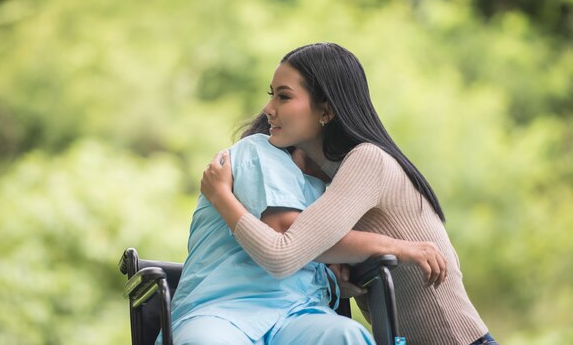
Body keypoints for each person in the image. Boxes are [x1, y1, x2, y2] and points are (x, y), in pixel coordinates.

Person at [201, 42, 497, 345]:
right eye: (271, 95)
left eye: (284, 96)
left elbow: (282, 253)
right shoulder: (330, 183)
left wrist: (222, 196)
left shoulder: (367, 161)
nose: (268, 109)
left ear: (326, 110)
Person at [159, 120, 448, 345]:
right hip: (224, 310)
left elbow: (313, 249)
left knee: (345, 336)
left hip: (296, 315)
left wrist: (332, 279)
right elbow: (291, 234)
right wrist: (397, 246)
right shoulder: (258, 151)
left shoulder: (321, 191)